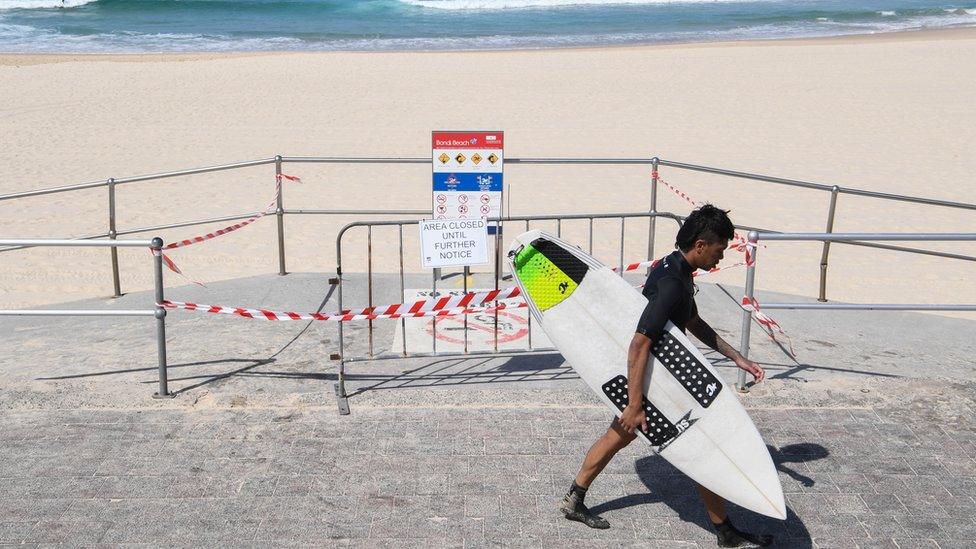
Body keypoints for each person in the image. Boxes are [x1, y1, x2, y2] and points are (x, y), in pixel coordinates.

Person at [558, 204, 773, 548]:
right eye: (719, 249)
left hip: (661, 375)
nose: (719, 258)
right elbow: (639, 343)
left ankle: (574, 499)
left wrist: (738, 358)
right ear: (701, 244)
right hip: (653, 377)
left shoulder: (678, 270)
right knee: (693, 445)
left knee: (634, 437)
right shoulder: (673, 281)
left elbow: (693, 322)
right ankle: (725, 531)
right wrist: (634, 402)